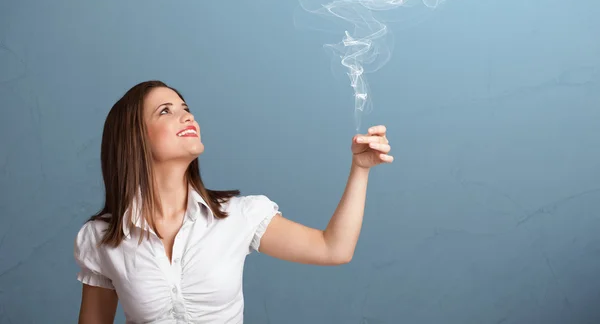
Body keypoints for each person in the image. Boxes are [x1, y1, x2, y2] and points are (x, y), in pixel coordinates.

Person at [74, 80, 393, 323]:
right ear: (134, 137)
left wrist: (360, 169)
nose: (187, 116)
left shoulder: (239, 215)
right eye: (166, 111)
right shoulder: (102, 239)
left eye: (185, 108)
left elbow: (333, 248)